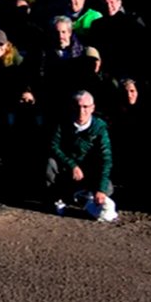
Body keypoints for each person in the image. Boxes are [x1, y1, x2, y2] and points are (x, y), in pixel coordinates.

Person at [47, 90, 115, 220]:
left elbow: (106, 158)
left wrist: (101, 189)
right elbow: (53, 146)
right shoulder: (62, 123)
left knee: (108, 188)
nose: (81, 111)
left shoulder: (100, 128)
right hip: (67, 167)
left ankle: (85, 195)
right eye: (77, 106)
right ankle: (59, 197)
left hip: (89, 169)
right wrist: (72, 165)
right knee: (50, 164)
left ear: (92, 108)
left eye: (85, 107)